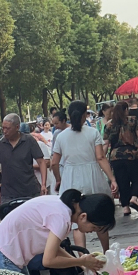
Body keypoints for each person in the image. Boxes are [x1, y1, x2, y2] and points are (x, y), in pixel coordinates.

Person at [50, 101, 117, 249]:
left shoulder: (61, 136)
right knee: (98, 215)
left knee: (76, 221)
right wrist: (112, 179)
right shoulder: (93, 132)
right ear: (85, 115)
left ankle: (82, 256)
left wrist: (58, 179)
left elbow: (54, 163)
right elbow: (100, 157)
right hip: (92, 176)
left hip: (71, 178)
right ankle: (106, 252)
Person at [0, 114, 49, 207]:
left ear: (17, 127)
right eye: (3, 128)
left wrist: (43, 184)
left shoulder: (29, 140)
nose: (4, 131)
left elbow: (41, 162)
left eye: (8, 128)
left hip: (30, 191)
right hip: (8, 194)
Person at [105, 102, 138, 216]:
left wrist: (103, 158)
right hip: (131, 155)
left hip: (115, 157)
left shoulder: (109, 124)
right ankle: (134, 198)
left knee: (122, 181)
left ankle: (125, 207)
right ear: (125, 110)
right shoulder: (132, 120)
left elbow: (105, 143)